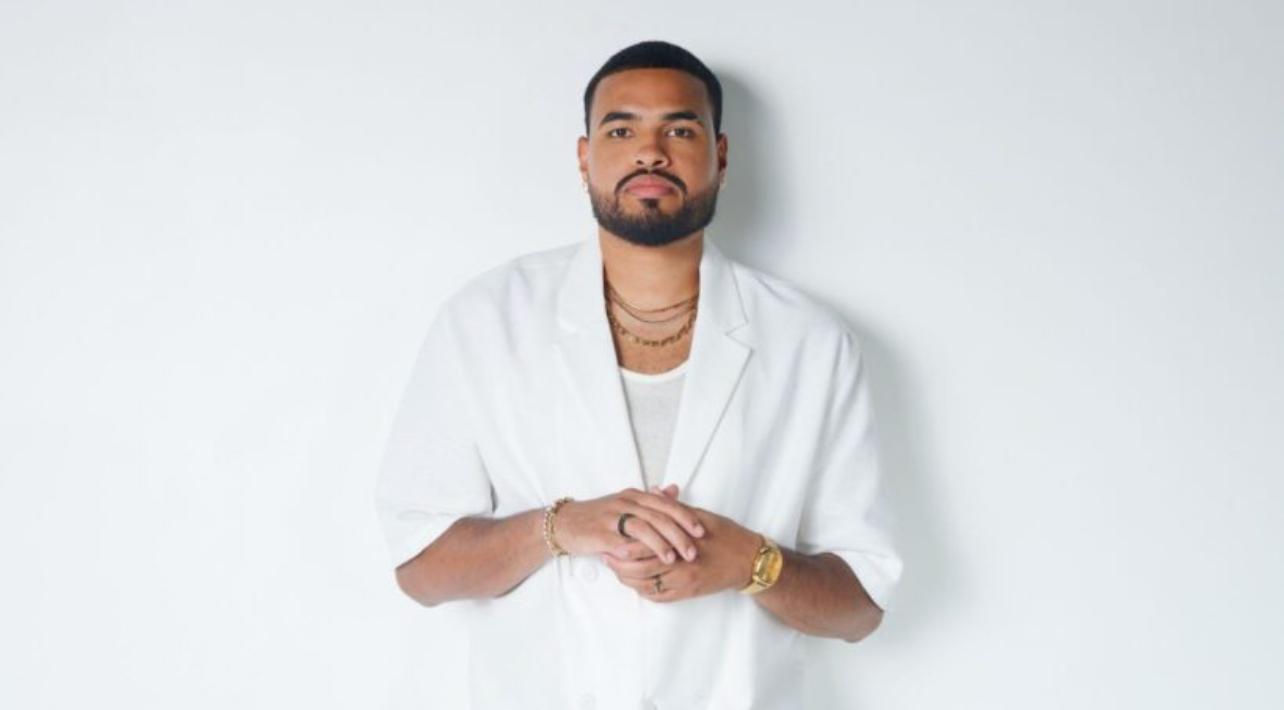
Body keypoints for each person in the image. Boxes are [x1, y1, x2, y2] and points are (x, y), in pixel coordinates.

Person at [374, 40, 903, 710]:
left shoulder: (809, 342)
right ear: (584, 157)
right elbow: (420, 569)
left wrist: (751, 562)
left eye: (680, 131)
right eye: (621, 131)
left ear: (721, 156)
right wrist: (562, 526)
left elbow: (859, 609)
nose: (650, 153)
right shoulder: (487, 320)